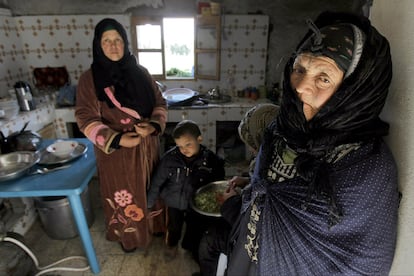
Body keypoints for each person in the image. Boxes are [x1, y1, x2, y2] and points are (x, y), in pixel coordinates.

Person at [224, 11, 400, 275]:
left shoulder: (367, 170)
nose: (301, 86)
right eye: (300, 68)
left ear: (354, 91)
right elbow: (268, 187)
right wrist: (251, 184)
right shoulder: (280, 128)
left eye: (324, 77)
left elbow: (364, 265)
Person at [75, 18, 167, 252]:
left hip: (148, 146)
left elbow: (160, 101)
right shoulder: (89, 80)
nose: (113, 46)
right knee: (125, 193)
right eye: (107, 41)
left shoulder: (141, 72)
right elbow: (85, 118)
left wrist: (154, 124)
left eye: (118, 40)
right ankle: (129, 237)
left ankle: (155, 225)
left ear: (125, 43)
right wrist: (116, 139)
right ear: (98, 45)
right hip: (117, 154)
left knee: (152, 186)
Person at [197, 103, 279, 276]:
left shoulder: (269, 168)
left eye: (252, 144)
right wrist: (247, 180)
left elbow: (253, 224)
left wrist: (230, 202)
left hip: (258, 248)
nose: (250, 149)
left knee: (208, 240)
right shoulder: (278, 160)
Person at [147, 120, 225, 261]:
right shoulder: (169, 159)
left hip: (195, 203)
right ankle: (171, 246)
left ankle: (190, 247)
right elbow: (157, 182)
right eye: (179, 146)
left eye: (188, 144)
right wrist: (149, 203)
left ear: (199, 139)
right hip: (174, 202)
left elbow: (216, 182)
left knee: (194, 227)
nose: (184, 149)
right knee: (173, 227)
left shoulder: (211, 160)